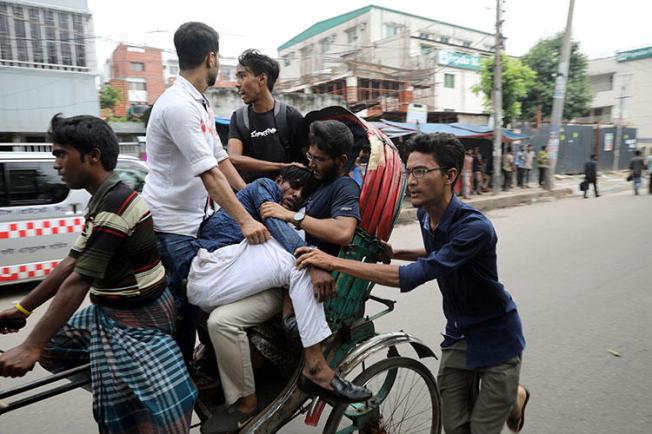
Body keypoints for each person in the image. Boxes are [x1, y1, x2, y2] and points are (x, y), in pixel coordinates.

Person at [295, 132, 530, 434]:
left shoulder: (475, 228)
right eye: (409, 171)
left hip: (496, 338)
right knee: (456, 427)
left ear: (450, 176)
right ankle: (512, 395)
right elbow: (439, 253)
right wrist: (396, 251)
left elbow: (410, 276)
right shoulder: (425, 215)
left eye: (421, 171)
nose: (412, 180)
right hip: (458, 334)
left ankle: (514, 395)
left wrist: (332, 262)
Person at [0, 115, 197, 433]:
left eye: (61, 153)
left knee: (158, 415)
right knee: (54, 349)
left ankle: (131, 395)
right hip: (110, 311)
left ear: (92, 156)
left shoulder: (116, 206)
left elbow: (78, 280)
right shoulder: (102, 200)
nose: (56, 164)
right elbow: (70, 263)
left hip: (140, 319)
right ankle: (124, 387)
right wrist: (23, 309)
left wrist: (30, 345)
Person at [199, 120, 362, 431]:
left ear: (341, 160)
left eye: (320, 160)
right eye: (310, 157)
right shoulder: (314, 185)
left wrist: (293, 216)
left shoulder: (344, 186)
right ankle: (242, 397)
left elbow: (343, 231)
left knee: (228, 316)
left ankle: (314, 367)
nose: (312, 165)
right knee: (217, 321)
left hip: (304, 276)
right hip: (282, 274)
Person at [142, 22, 270, 363]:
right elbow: (209, 173)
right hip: (173, 230)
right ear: (211, 58)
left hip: (196, 222)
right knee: (184, 312)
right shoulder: (177, 106)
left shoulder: (199, 104)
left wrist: (253, 199)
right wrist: (246, 221)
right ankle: (182, 387)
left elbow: (221, 159)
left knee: (203, 304)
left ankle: (206, 369)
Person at [228, 49, 308, 182]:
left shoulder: (290, 116)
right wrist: (281, 166)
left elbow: (308, 160)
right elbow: (234, 158)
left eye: (242, 76)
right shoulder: (239, 118)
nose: (238, 83)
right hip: (251, 198)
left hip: (286, 199)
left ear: (261, 79)